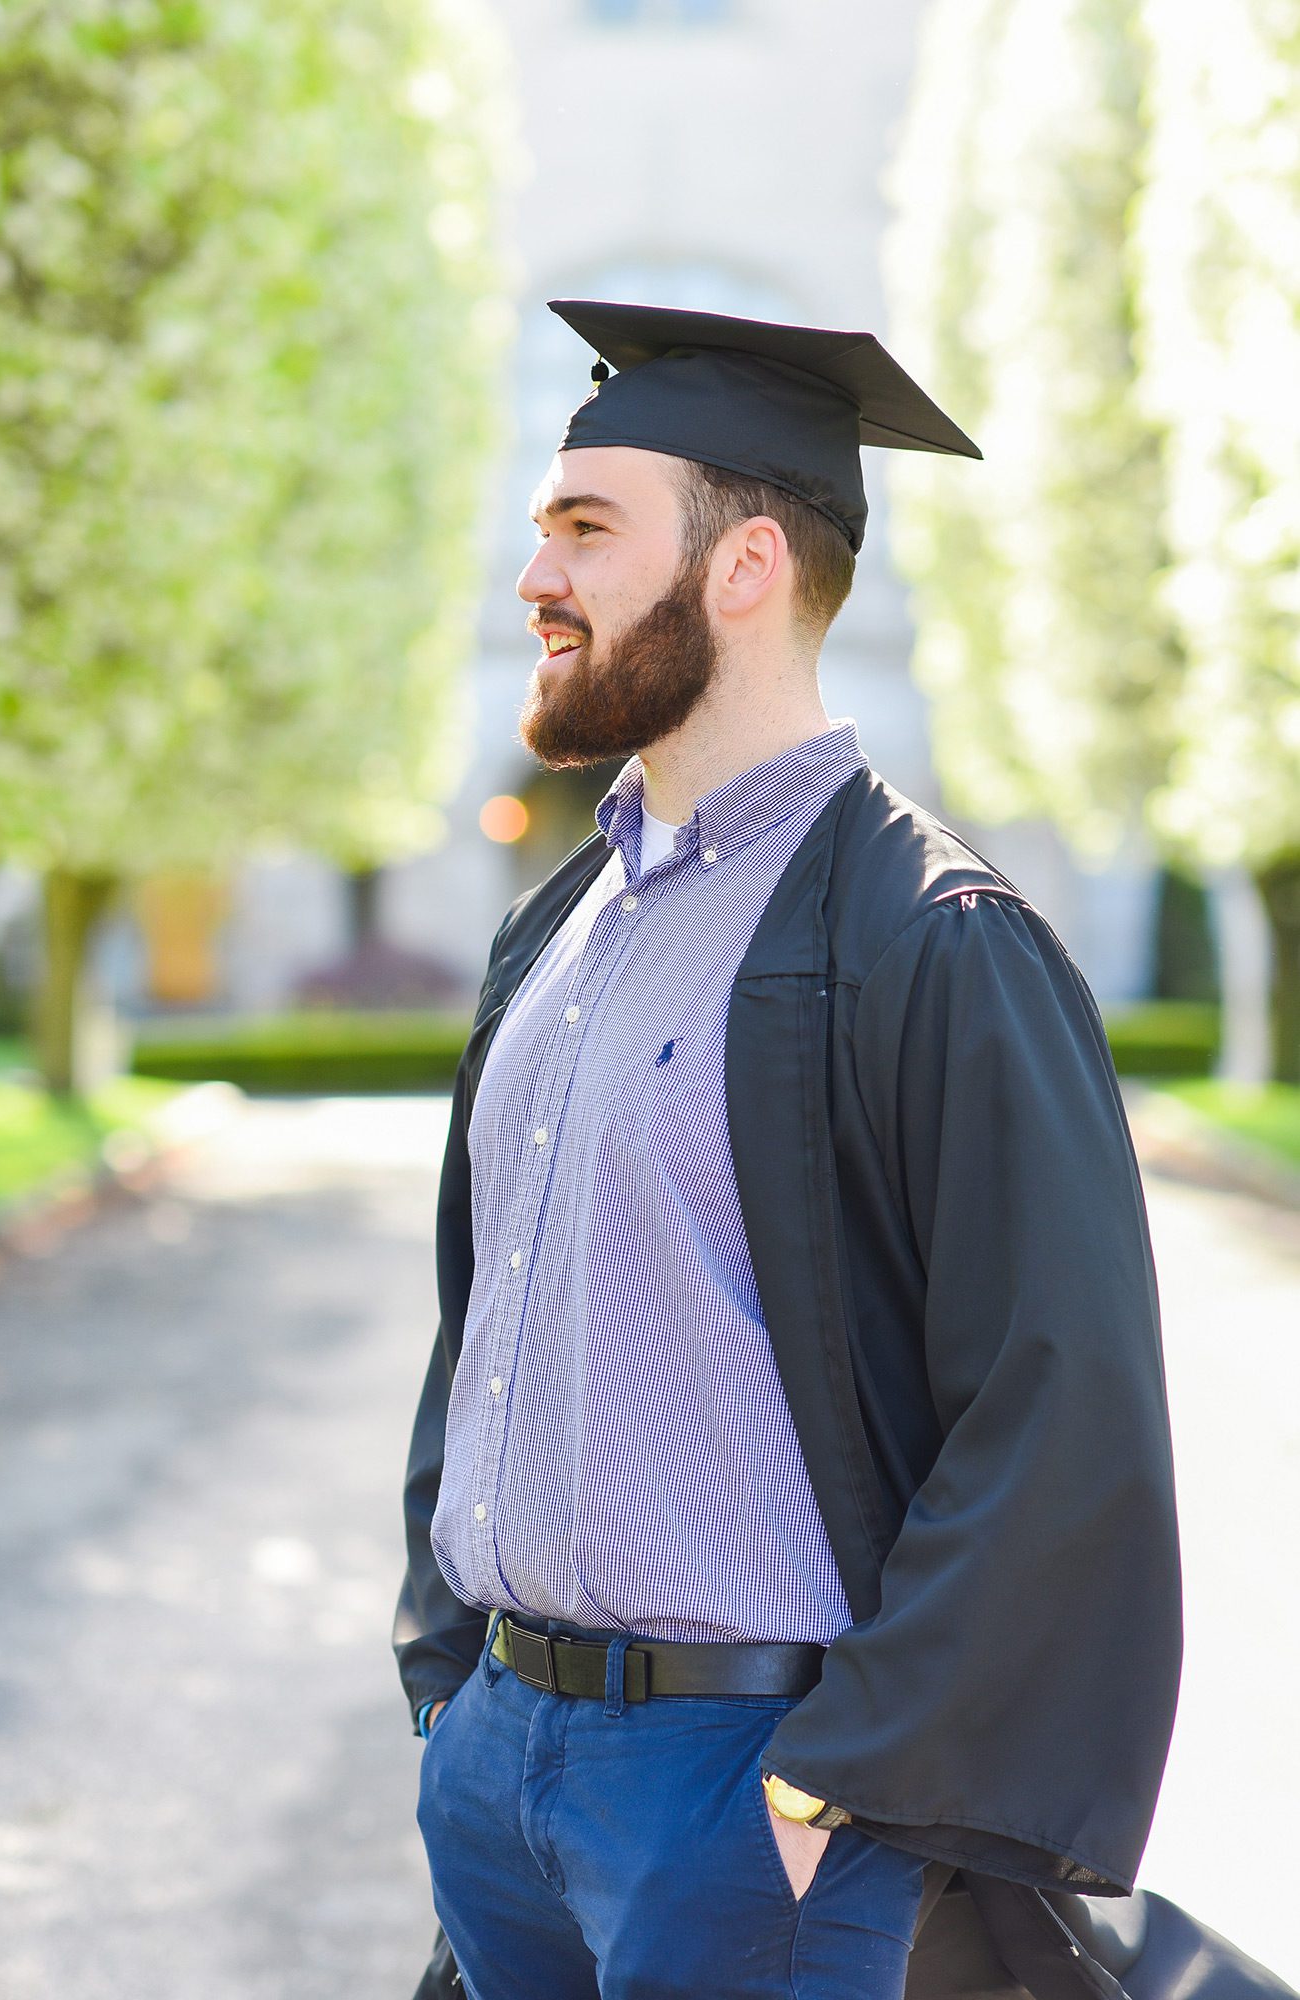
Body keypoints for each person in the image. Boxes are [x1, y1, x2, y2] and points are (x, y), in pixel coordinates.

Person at [392, 300, 1184, 2000]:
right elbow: (485, 1328)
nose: (535, 577)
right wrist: (449, 1679)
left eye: (586, 529)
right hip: (502, 1762)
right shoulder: (560, 928)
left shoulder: (931, 940)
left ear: (744, 566)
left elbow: (1059, 1407)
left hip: (746, 1788)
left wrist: (845, 1778)